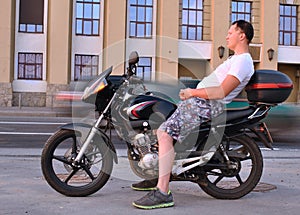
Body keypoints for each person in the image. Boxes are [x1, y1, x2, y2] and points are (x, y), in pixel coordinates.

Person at [132, 20, 255, 209]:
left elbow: (221, 91)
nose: (227, 36)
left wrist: (192, 93)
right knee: (158, 125)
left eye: (231, 32)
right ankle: (157, 174)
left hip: (206, 104)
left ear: (242, 35)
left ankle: (163, 192)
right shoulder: (235, 59)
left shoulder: (243, 61)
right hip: (199, 102)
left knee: (165, 134)